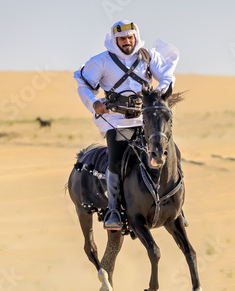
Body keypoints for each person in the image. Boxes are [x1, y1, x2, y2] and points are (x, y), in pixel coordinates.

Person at [74, 20, 179, 230]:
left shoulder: (148, 56)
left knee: (170, 152)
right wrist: (94, 103)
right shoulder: (101, 61)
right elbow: (83, 84)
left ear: (135, 37)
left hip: (144, 120)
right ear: (115, 40)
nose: (127, 42)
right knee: (116, 160)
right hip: (115, 121)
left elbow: (167, 75)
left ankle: (176, 206)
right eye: (122, 39)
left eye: (130, 38)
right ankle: (113, 209)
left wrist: (160, 91)